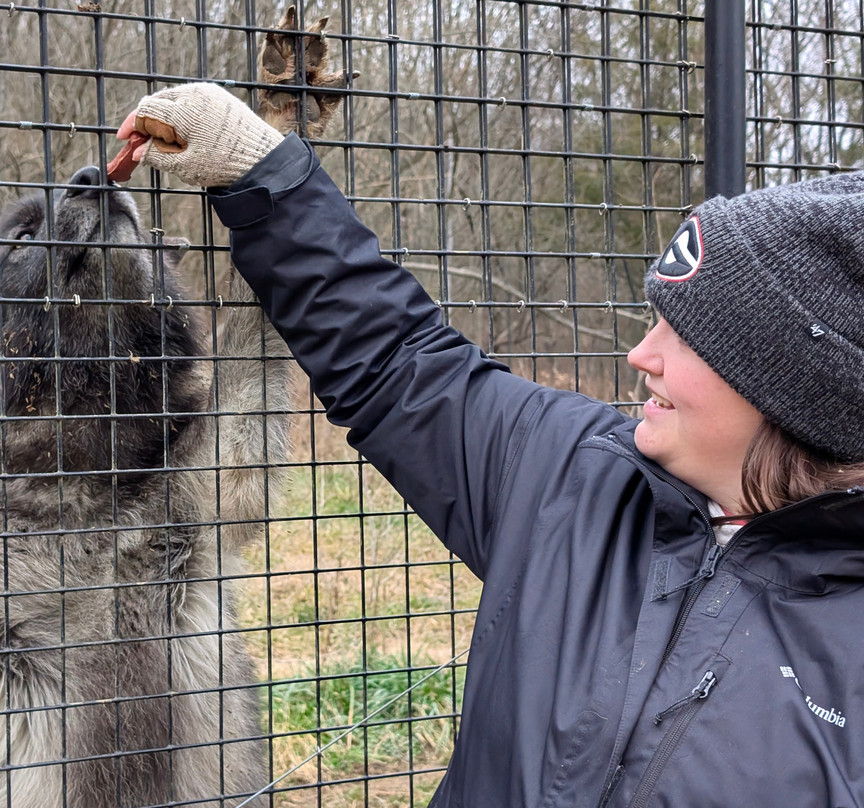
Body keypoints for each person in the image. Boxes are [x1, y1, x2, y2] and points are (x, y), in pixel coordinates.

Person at [112, 83, 864, 807]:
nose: (642, 354)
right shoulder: (576, 470)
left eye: (687, 335)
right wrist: (260, 171)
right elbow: (400, 360)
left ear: (796, 389)